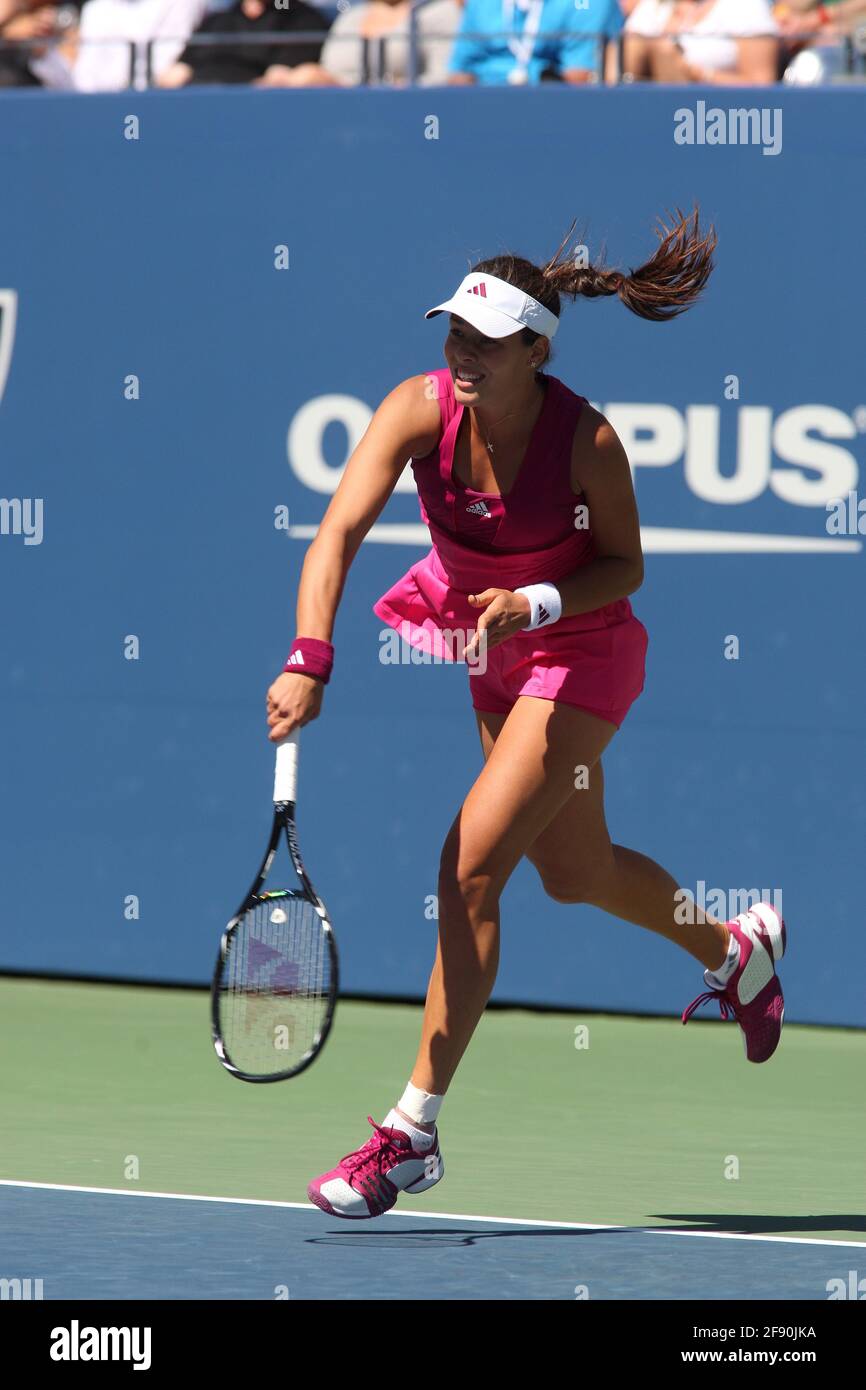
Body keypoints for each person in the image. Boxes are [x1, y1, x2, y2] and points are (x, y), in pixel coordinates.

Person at [266, 209, 788, 1221]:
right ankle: (735, 952)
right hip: (490, 651)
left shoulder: (585, 440)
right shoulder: (416, 411)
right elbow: (335, 531)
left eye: (486, 344)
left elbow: (623, 565)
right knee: (573, 872)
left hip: (579, 653)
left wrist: (540, 602)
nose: (460, 356)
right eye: (453, 335)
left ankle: (409, 1133)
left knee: (467, 866)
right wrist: (310, 656)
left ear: (536, 352)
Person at [278, 0, 463, 88]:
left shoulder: (438, 13)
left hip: (406, 121)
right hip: (342, 120)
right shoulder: (350, 16)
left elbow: (446, 78)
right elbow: (331, 71)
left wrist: (398, 89)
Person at [446, 0, 624, 85]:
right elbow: (459, 71)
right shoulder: (480, 4)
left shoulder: (586, 3)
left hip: (555, 113)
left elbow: (580, 77)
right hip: (482, 110)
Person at [157, 0, 329, 87]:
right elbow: (175, 74)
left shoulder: (303, 20)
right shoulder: (218, 20)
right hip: (192, 107)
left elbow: (276, 81)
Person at [624, 0, 779, 84]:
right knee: (633, 45)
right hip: (648, 111)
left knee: (662, 50)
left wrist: (701, 75)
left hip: (717, 119)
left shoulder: (747, 6)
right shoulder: (652, 6)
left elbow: (761, 85)